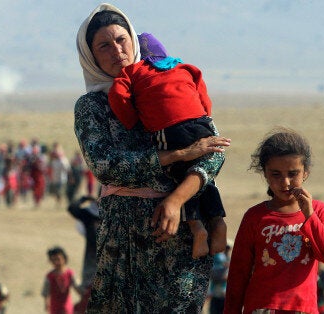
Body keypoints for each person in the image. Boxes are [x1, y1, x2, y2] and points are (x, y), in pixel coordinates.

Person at [74, 3, 230, 312]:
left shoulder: (165, 82)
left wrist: (174, 201)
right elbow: (105, 166)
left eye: (121, 39)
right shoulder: (91, 106)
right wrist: (178, 155)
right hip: (123, 241)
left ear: (133, 39)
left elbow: (212, 151)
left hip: (182, 233)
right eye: (104, 45)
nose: (117, 50)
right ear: (91, 55)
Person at [108, 32, 227, 259]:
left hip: (169, 128)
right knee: (203, 173)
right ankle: (218, 221)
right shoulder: (184, 67)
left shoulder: (132, 71)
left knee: (179, 173)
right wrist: (203, 118)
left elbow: (118, 96)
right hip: (200, 123)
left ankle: (197, 228)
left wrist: (133, 120)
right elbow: (203, 94)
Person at [224, 128, 324, 313]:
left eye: (293, 174)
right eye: (276, 174)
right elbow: (238, 274)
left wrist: (309, 215)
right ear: (265, 174)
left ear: (306, 172)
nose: (285, 182)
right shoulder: (255, 216)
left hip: (303, 308)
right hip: (262, 308)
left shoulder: (319, 211)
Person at [67, 196, 100, 313]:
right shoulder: (88, 215)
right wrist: (84, 199)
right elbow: (72, 208)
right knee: (88, 293)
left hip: (109, 259)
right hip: (91, 260)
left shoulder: (113, 212)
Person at [41, 246, 79, 314]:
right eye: (53, 260)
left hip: (67, 308)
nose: (56, 262)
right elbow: (45, 291)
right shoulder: (50, 276)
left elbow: (78, 287)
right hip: (55, 309)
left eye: (58, 259)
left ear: (64, 258)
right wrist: (46, 303)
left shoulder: (70, 274)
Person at [207, 242, 232, 314]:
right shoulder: (218, 260)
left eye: (228, 248)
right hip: (216, 294)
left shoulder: (229, 260)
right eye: (226, 248)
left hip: (225, 296)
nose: (227, 250)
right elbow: (213, 275)